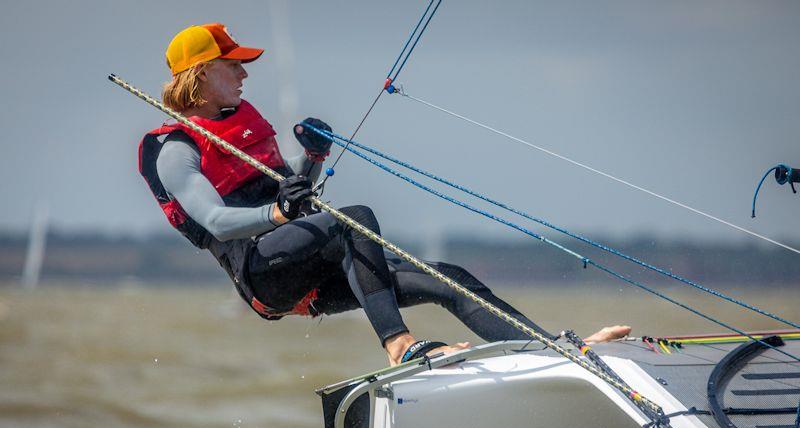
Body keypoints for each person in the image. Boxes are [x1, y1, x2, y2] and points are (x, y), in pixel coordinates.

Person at [138, 23, 630, 367]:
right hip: (262, 275)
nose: (245, 74)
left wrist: (312, 158)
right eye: (233, 66)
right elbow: (219, 221)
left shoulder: (242, 121)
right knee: (355, 217)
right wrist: (279, 210)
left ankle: (560, 350)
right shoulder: (176, 148)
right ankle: (400, 345)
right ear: (201, 74)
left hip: (308, 264)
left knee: (448, 279)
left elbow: (296, 195)